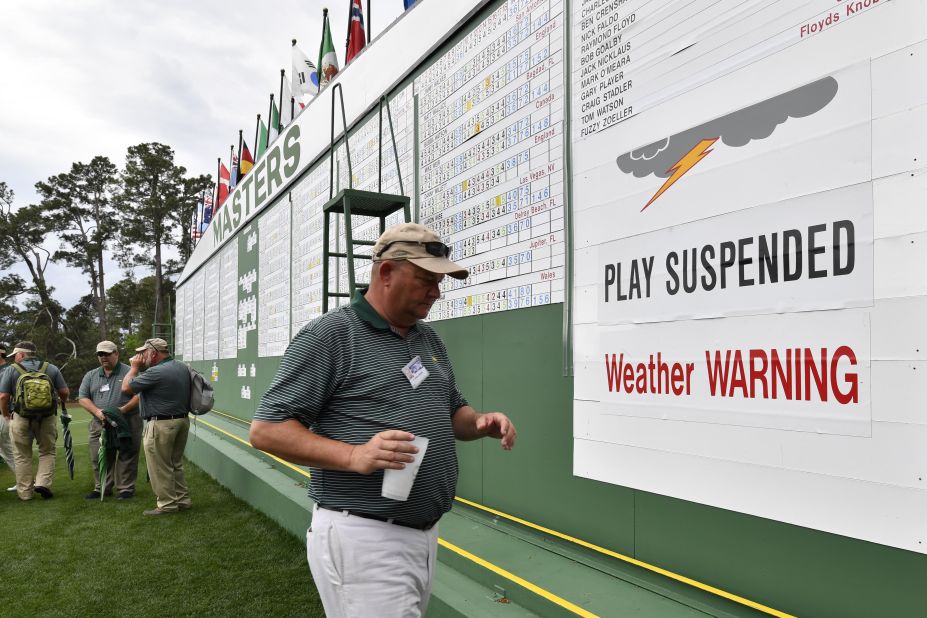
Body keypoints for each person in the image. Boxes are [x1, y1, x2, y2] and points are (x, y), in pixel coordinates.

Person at [250, 222, 517, 617]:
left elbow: (452, 410)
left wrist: (477, 422)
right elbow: (267, 429)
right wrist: (354, 455)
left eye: (439, 281)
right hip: (364, 535)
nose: (436, 292)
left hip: (420, 533)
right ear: (386, 272)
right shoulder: (331, 334)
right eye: (426, 279)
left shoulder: (428, 339)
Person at [121, 337, 191, 516]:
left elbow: (126, 388)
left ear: (153, 353)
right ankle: (182, 500)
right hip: (182, 421)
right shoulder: (181, 367)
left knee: (159, 466)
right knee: (175, 463)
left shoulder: (156, 372)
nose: (141, 356)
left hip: (161, 424)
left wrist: (134, 368)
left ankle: (167, 504)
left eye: (144, 353)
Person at [0, 341, 69, 500]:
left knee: (22, 455)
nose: (14, 358)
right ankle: (43, 483)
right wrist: (59, 402)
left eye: (15, 355)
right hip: (46, 417)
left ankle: (25, 493)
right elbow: (64, 391)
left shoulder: (11, 370)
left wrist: (5, 415)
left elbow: (3, 397)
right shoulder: (50, 368)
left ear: (22, 354)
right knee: (47, 451)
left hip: (20, 417)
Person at [78, 341, 141, 500]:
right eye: (100, 354)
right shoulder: (91, 375)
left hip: (127, 420)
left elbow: (140, 395)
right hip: (100, 422)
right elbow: (83, 398)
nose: (103, 357)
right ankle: (102, 488)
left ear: (116, 354)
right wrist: (98, 412)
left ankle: (125, 489)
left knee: (127, 454)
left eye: (107, 353)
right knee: (99, 455)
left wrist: (122, 410)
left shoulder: (130, 371)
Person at [0, 343, 17, 491]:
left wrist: (5, 414)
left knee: (8, 450)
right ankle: (24, 481)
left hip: (3, 416)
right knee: (7, 450)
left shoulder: (7, 370)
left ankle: (24, 482)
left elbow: (4, 396)